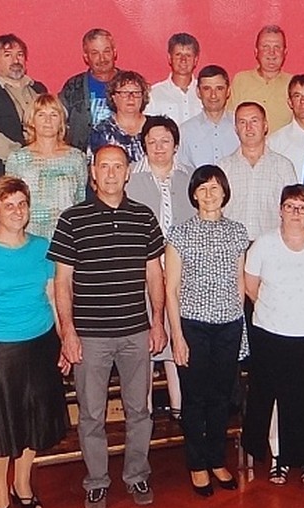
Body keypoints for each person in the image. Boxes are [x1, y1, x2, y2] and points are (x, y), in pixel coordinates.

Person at [48, 145, 166, 508]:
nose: (112, 173)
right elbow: (62, 282)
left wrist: (158, 322)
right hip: (90, 336)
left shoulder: (144, 216)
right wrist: (68, 332)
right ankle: (97, 481)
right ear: (93, 173)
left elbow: (154, 274)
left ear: (128, 173)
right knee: (91, 415)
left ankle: (137, 474)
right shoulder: (72, 219)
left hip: (135, 331)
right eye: (104, 166)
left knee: (139, 411)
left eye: (118, 166)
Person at [0, 176, 68, 508]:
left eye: (22, 204)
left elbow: (53, 297)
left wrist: (64, 341)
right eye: (8, 206)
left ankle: (22, 484)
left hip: (41, 344)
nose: (17, 211)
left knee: (33, 419)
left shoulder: (42, 247)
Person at [242, 184, 304, 487]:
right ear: (280, 210)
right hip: (271, 334)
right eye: (290, 206)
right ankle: (279, 458)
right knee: (275, 399)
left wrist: (303, 309)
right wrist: (279, 309)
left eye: (302, 207)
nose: (296, 213)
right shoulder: (263, 244)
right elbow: (251, 287)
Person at [164, 165, 248, 497]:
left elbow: (239, 281)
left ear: (225, 192)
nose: (209, 194)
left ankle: (216, 459)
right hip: (193, 325)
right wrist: (177, 336)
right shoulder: (179, 234)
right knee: (195, 398)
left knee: (221, 397)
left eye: (215, 187)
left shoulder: (237, 232)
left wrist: (239, 326)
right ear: (194, 195)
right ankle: (197, 464)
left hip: (229, 325)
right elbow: (171, 289)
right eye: (202, 189)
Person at [127, 115, 195, 419]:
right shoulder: (130, 177)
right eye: (152, 142)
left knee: (177, 338)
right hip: (142, 272)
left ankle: (181, 409)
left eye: (165, 141)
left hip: (184, 273)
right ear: (143, 145)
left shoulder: (189, 176)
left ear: (175, 145)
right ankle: (142, 413)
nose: (158, 147)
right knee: (144, 342)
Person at [0, 34, 48, 192]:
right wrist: (24, 156)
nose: (15, 60)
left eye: (20, 55)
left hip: (43, 175)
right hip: (4, 176)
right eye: (8, 55)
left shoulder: (39, 89)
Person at [5, 93, 87, 239]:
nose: (48, 120)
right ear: (32, 121)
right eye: (41, 115)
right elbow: (11, 203)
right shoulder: (17, 159)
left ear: (61, 121)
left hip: (67, 237)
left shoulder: (77, 158)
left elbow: (80, 202)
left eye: (54, 115)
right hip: (29, 238)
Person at [219, 101, 297, 241]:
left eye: (254, 121)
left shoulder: (283, 166)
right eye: (242, 122)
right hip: (231, 246)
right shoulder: (223, 167)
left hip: (270, 245)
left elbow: (292, 211)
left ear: (265, 126)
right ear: (236, 129)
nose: (248, 127)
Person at [59, 28, 119, 152]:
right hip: (81, 159)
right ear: (86, 57)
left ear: (114, 52)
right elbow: (57, 122)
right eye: (95, 53)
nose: (102, 58)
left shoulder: (130, 85)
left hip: (122, 160)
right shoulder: (73, 87)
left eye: (106, 51)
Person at [229, 25, 293, 133]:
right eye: (265, 47)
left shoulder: (293, 84)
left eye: (277, 47)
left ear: (285, 52)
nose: (271, 52)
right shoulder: (241, 80)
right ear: (256, 52)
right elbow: (230, 118)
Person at [178, 65, 239, 169]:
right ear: (198, 92)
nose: (213, 95)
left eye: (219, 88)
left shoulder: (241, 126)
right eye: (207, 89)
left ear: (228, 91)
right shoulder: (185, 131)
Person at [89, 70, 150, 163]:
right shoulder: (101, 131)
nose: (131, 97)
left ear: (143, 96)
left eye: (136, 92)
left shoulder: (156, 126)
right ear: (113, 97)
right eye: (124, 93)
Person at [145, 33, 202, 124]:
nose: (183, 60)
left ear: (195, 60)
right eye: (178, 55)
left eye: (188, 55)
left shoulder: (206, 92)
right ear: (169, 58)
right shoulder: (154, 94)